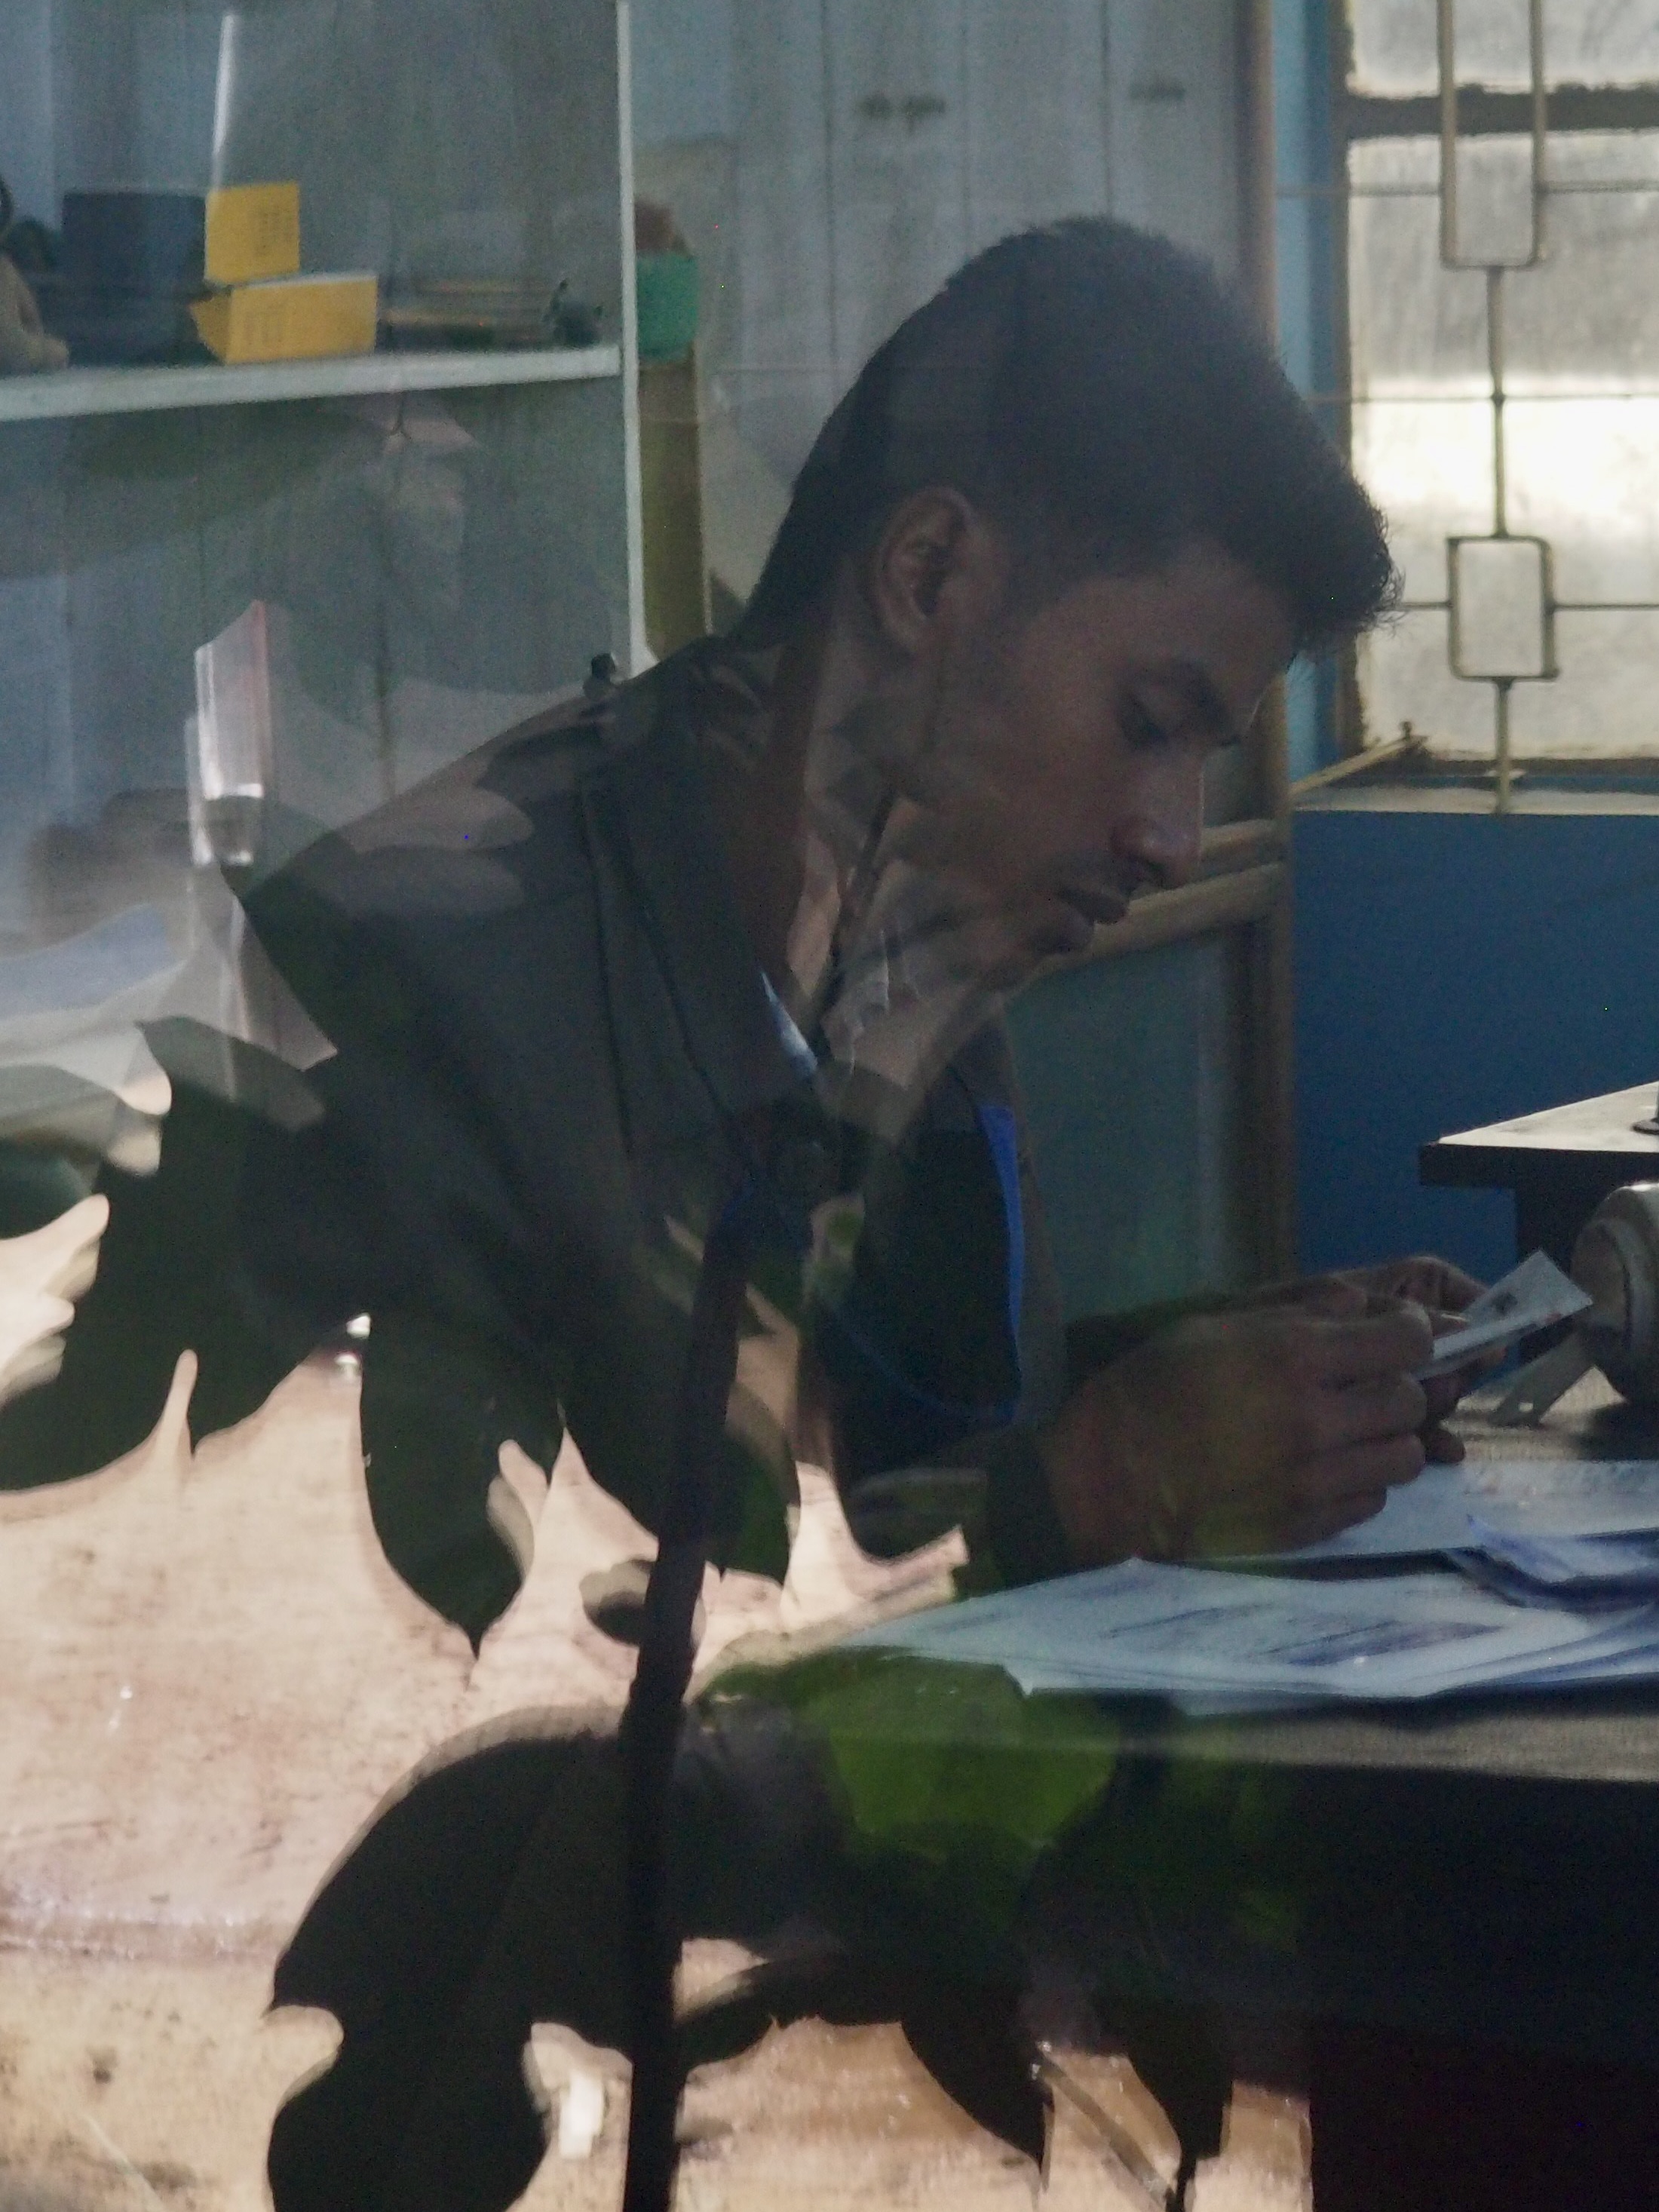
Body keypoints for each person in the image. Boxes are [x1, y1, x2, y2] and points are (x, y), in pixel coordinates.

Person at [0, 216, 1485, 1643]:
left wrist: (1223, 1386)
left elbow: (867, 1450)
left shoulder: (912, 937)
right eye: (1148, 723)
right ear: (927, 576)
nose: (1171, 835)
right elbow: (433, 1680)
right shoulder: (415, 1006)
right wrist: (1101, 1481)